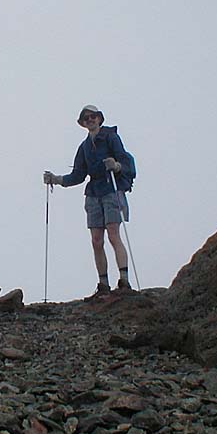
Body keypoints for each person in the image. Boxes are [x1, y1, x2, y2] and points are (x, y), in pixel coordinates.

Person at [44, 105, 133, 301]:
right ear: (83, 123)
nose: (90, 119)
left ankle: (124, 280)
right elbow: (78, 175)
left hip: (111, 188)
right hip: (94, 193)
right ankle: (104, 284)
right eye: (86, 118)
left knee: (113, 233)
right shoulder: (84, 148)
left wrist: (117, 166)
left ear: (99, 119)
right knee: (96, 240)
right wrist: (56, 179)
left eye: (93, 116)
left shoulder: (111, 137)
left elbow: (127, 161)